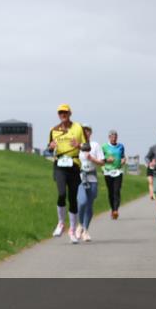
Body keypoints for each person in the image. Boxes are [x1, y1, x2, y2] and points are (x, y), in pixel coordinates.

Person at [47, 104, 87, 244]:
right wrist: (50, 147)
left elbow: (86, 146)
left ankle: (72, 230)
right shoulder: (54, 130)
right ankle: (61, 223)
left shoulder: (78, 127)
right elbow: (49, 148)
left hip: (74, 166)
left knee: (73, 198)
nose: (63, 114)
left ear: (70, 113)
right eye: (60, 113)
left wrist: (79, 145)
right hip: (60, 166)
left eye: (65, 112)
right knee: (62, 193)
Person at [76, 127, 105, 241]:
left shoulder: (95, 145)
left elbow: (102, 162)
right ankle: (80, 225)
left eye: (87, 131)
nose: (85, 133)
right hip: (80, 178)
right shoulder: (77, 145)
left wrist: (92, 158)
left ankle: (85, 230)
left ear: (91, 133)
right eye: (83, 131)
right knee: (82, 202)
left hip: (92, 178)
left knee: (89, 204)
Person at [101, 129, 127, 220]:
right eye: (112, 136)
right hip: (107, 171)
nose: (114, 138)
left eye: (115, 136)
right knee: (110, 191)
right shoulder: (104, 147)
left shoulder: (121, 146)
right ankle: (112, 209)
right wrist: (106, 160)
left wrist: (123, 160)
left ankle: (116, 210)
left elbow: (123, 156)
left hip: (118, 171)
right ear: (109, 137)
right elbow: (100, 159)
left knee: (116, 190)